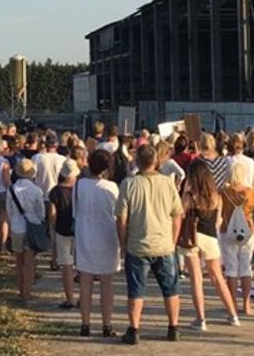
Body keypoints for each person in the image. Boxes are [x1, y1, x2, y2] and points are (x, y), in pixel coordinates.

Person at [116, 145, 183, 345]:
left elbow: (121, 218)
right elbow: (177, 215)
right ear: (156, 161)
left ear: (137, 162)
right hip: (164, 243)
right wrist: (173, 239)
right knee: (171, 288)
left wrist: (122, 242)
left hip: (137, 244)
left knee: (136, 289)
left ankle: (134, 329)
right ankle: (173, 326)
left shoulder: (128, 184)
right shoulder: (167, 183)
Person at [180, 159, 240, 330]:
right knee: (217, 277)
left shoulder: (191, 196)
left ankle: (201, 319)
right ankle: (232, 314)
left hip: (192, 237)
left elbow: (182, 213)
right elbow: (218, 220)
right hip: (211, 237)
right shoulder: (216, 196)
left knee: (196, 279)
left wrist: (185, 191)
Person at [74, 149, 120, 338]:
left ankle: (85, 324)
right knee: (107, 283)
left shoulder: (80, 185)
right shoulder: (111, 187)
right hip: (107, 235)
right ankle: (106, 325)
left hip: (85, 233)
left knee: (85, 283)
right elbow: (117, 213)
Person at [220, 162, 254, 314]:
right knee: (246, 268)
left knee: (231, 268)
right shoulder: (250, 192)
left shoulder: (223, 192)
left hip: (228, 230)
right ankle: (247, 304)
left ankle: (233, 304)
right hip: (247, 230)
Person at [6, 158, 45, 304]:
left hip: (16, 226)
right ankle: (28, 293)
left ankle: (21, 291)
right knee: (30, 263)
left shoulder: (12, 189)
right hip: (32, 225)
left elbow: (9, 210)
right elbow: (41, 212)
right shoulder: (36, 190)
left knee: (19, 262)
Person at [48, 159, 79, 309]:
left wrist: (53, 226)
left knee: (67, 265)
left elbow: (52, 214)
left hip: (62, 229)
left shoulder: (55, 191)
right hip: (79, 230)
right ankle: (83, 296)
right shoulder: (79, 189)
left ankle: (70, 298)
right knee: (82, 266)